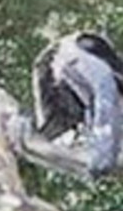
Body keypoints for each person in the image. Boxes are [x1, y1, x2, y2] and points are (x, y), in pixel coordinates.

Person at [33, 32, 123, 178]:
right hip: (69, 57)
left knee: (59, 127)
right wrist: (102, 155)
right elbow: (104, 89)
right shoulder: (102, 71)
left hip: (58, 70)